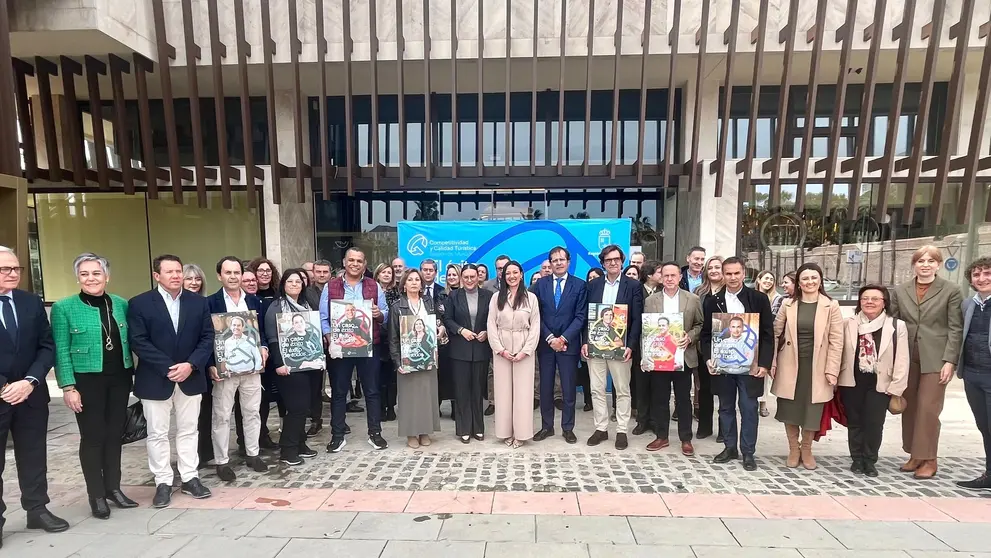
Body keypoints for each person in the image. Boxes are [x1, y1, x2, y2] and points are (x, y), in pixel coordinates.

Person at [51, 253, 137, 519]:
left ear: (107, 276)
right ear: (78, 277)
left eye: (96, 273)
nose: (91, 278)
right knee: (93, 437)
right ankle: (96, 494)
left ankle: (114, 488)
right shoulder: (64, 307)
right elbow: (61, 350)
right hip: (87, 381)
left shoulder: (121, 304)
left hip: (119, 378)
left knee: (114, 435)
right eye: (85, 274)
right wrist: (68, 387)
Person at [127, 254, 214, 508]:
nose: (176, 276)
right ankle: (163, 481)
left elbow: (207, 337)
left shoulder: (198, 303)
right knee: (157, 433)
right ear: (157, 276)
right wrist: (168, 367)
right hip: (156, 378)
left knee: (189, 430)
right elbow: (138, 341)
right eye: (170, 272)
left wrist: (191, 365)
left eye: (178, 271)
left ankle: (190, 477)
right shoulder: (140, 303)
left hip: (191, 376)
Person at [0, 247, 68, 537]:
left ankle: (37, 510)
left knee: (33, 455)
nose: (14, 273)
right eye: (6, 269)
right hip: (1, 393)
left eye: (17, 269)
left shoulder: (31, 302)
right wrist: (4, 386)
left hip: (30, 395)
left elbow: (47, 345)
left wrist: (30, 381)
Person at [889, 245, 964, 480]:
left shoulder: (951, 290)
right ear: (914, 264)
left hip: (936, 357)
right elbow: (894, 322)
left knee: (928, 408)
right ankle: (915, 454)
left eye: (931, 261)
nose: (925, 265)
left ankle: (930, 458)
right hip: (907, 355)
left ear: (938, 265)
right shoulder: (900, 291)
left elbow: (955, 327)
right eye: (921, 261)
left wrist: (950, 360)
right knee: (908, 406)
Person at [701, 256, 774, 471]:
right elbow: (706, 335)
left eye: (736, 273)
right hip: (723, 367)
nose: (732, 277)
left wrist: (765, 363)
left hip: (750, 366)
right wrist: (708, 358)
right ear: (722, 275)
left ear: (744, 273)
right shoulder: (711, 301)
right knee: (725, 408)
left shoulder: (758, 299)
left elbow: (768, 334)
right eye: (728, 273)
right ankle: (730, 447)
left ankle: (748, 452)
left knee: (749, 408)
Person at [770, 263, 843, 470]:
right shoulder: (788, 304)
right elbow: (776, 334)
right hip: (790, 363)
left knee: (813, 409)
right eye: (805, 279)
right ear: (799, 283)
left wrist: (832, 369)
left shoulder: (831, 305)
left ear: (820, 280)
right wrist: (772, 361)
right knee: (790, 408)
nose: (810, 282)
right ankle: (794, 448)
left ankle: (807, 449)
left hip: (818, 365)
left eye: (814, 278)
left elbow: (837, 340)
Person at [201, 256, 269, 477]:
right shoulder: (210, 303)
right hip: (224, 371)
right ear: (220, 276)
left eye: (236, 272)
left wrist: (265, 348)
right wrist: (211, 364)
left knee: (252, 411)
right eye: (228, 273)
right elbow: (204, 337)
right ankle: (221, 460)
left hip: (251, 369)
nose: (233, 277)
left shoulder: (254, 301)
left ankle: (252, 453)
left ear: (242, 275)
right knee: (221, 415)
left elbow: (262, 333)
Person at [320, 247, 389, 453]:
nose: (355, 264)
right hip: (341, 348)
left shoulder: (374, 285)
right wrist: (331, 339)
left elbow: (384, 315)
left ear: (364, 264)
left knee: (372, 391)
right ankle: (337, 436)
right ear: (344, 262)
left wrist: (378, 313)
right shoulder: (330, 287)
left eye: (359, 261)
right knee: (339, 392)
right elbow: (324, 318)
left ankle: (375, 433)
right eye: (351, 260)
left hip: (368, 346)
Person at [838, 285, 909, 478]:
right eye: (865, 298)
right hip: (851, 380)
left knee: (874, 422)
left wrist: (897, 386)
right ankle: (856, 459)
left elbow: (902, 359)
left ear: (884, 302)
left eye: (875, 299)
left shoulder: (896, 326)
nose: (870, 302)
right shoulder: (848, 324)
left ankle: (870, 459)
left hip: (881, 382)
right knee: (854, 422)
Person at [583, 245, 643, 450]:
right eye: (608, 260)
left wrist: (631, 346)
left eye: (616, 259)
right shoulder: (593, 285)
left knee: (622, 389)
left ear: (622, 261)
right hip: (596, 345)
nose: (613, 263)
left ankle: (622, 430)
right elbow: (587, 316)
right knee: (596, 389)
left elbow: (637, 319)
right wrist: (585, 341)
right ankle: (601, 428)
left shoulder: (633, 286)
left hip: (621, 346)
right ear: (602, 263)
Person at [640, 261, 703, 456]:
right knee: (660, 398)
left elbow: (700, 324)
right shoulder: (651, 300)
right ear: (660, 277)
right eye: (665, 275)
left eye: (673, 275)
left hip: (682, 356)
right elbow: (646, 330)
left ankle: (686, 438)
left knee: (683, 399)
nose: (669, 279)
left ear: (680, 277)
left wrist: (690, 337)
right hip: (659, 357)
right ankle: (662, 436)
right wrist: (645, 356)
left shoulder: (692, 299)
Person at [265, 269, 322, 466]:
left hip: (311, 364)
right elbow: (273, 340)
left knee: (305, 406)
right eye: (290, 281)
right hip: (288, 366)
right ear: (283, 284)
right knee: (296, 407)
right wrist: (279, 363)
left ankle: (300, 443)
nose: (295, 284)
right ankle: (288, 449)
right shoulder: (276, 307)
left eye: (298, 281)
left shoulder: (308, 304)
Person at [532, 247, 587, 445]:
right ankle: (547, 426)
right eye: (554, 260)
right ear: (550, 263)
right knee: (545, 387)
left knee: (568, 389)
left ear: (568, 261)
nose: (558, 263)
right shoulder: (540, 285)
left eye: (561, 259)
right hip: (546, 345)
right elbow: (535, 314)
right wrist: (549, 338)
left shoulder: (579, 285)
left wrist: (563, 339)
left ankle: (568, 428)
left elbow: (580, 316)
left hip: (568, 346)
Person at [487, 260, 541, 448]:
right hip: (501, 348)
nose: (511, 276)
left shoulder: (531, 298)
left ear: (521, 274)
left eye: (515, 272)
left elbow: (535, 326)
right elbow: (491, 325)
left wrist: (526, 351)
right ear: (503, 276)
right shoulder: (496, 298)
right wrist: (499, 349)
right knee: (503, 394)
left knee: (523, 394)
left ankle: (521, 434)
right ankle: (505, 432)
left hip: (523, 348)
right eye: (507, 273)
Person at [389, 269, 445, 447]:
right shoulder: (397, 307)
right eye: (410, 280)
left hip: (427, 357)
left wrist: (440, 328)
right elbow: (393, 338)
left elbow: (438, 323)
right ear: (404, 284)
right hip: (407, 359)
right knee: (409, 398)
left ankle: (425, 431)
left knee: (427, 396)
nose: (414, 282)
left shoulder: (428, 303)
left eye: (417, 280)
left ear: (422, 284)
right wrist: (397, 362)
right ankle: (411, 433)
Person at [443, 264, 493, 443]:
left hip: (481, 349)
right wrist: (460, 330)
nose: (470, 280)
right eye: (466, 277)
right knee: (462, 391)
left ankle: (478, 428)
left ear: (478, 278)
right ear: (461, 278)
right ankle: (464, 429)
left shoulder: (489, 296)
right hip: (460, 350)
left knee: (477, 391)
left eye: (473, 277)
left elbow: (493, 319)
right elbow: (447, 319)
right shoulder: (454, 296)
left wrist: (487, 331)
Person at [957, 258, 991, 489]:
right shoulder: (969, 304)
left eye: (987, 273)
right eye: (976, 275)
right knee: (984, 426)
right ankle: (989, 474)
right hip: (972, 374)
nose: (982, 279)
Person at [692, 255, 724, 438]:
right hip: (703, 345)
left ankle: (723, 429)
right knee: (703, 388)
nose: (713, 270)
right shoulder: (699, 292)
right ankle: (704, 427)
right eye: (710, 267)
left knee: (723, 390)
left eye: (717, 267)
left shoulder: (730, 291)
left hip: (725, 345)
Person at [374, 263, 400, 422]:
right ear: (377, 274)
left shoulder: (396, 293)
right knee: (377, 376)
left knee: (391, 377)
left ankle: (391, 407)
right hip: (376, 337)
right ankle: (380, 407)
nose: (386, 275)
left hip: (392, 337)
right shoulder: (370, 290)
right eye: (383, 272)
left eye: (389, 273)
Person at [576, 268, 603, 411]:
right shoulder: (583, 294)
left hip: (605, 339)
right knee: (586, 370)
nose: (592, 279)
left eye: (596, 277)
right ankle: (588, 400)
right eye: (590, 277)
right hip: (586, 338)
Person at [755, 270, 780, 418]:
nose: (769, 281)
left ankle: (763, 403)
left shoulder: (777, 299)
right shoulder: (751, 297)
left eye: (771, 279)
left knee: (764, 372)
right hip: (751, 338)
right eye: (766, 278)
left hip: (767, 337)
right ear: (758, 280)